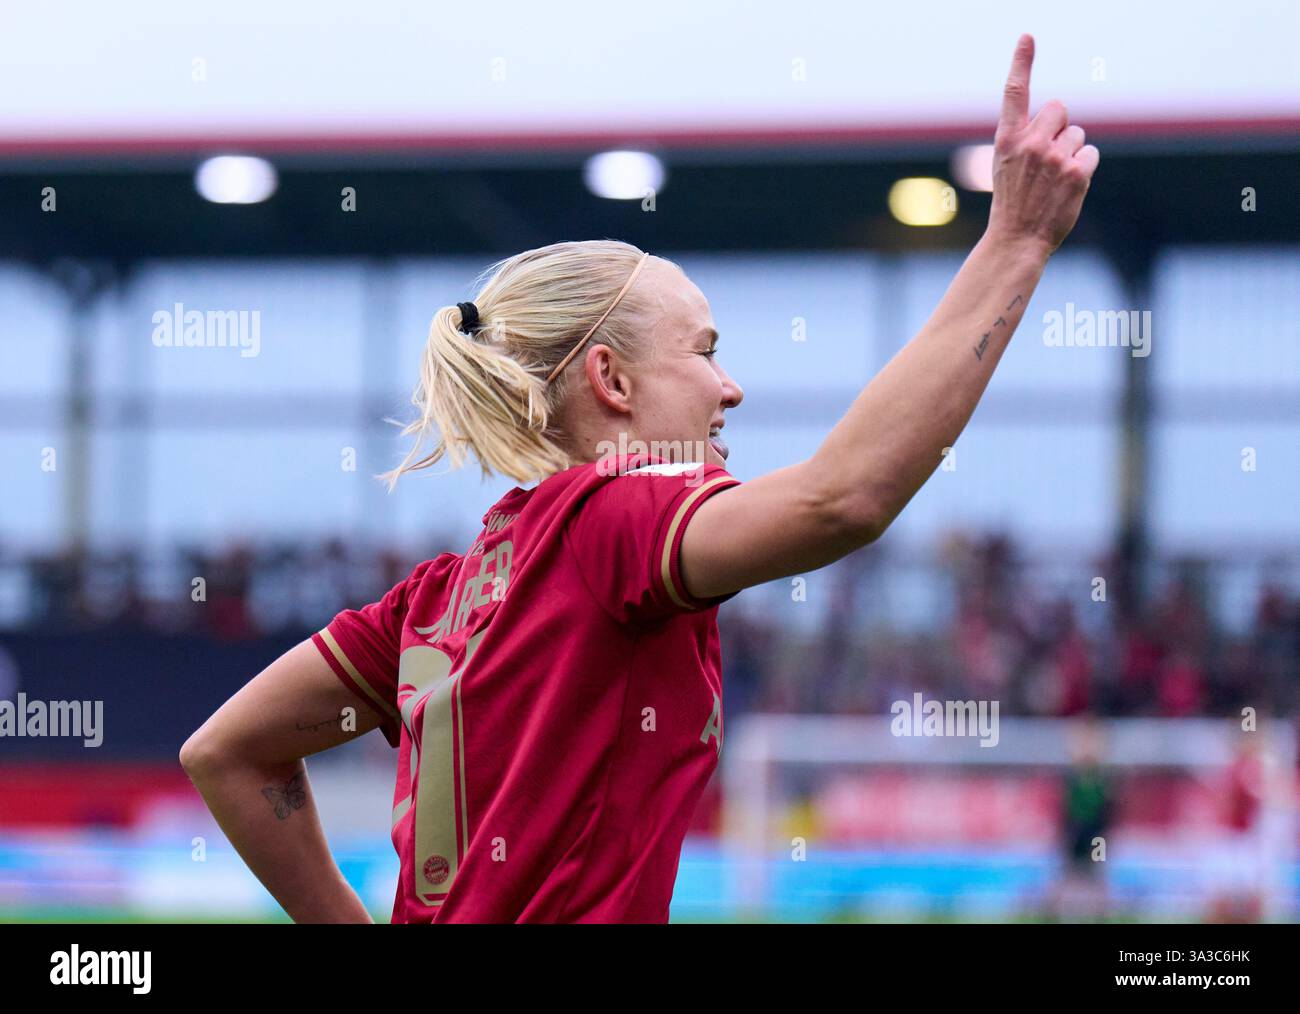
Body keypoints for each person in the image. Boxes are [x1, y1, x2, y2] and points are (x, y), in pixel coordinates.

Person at [180, 34, 1099, 923]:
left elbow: (230, 751)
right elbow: (842, 498)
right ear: (611, 381)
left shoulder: (439, 599)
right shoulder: (612, 518)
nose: (730, 386)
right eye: (705, 351)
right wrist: (1014, 242)